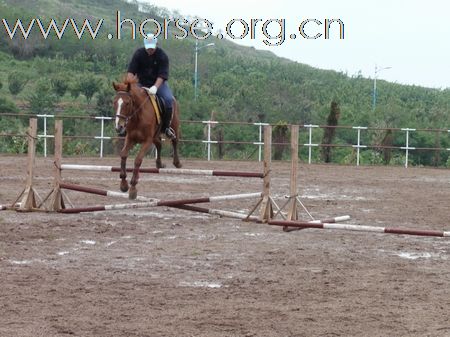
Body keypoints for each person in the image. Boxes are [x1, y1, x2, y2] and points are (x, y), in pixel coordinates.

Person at [126, 33, 176, 140]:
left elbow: (162, 75)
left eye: (152, 48)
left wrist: (155, 87)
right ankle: (126, 124)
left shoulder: (162, 56)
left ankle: (166, 127)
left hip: (158, 84)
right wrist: (130, 85)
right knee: (128, 99)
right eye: (148, 48)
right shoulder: (138, 54)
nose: (150, 50)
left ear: (156, 45)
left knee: (168, 100)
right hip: (141, 84)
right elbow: (131, 71)